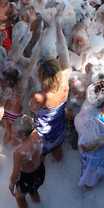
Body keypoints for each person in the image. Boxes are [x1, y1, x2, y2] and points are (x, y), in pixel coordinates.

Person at [29, 16, 71, 162]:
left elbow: (32, 108)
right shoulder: (65, 77)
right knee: (57, 145)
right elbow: (62, 48)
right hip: (59, 124)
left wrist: (34, 84)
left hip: (44, 130)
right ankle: (60, 162)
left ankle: (41, 163)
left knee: (42, 152)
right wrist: (57, 24)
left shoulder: (40, 96)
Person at [1, 35, 43, 146]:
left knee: (8, 132)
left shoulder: (4, 82)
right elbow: (32, 63)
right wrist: (40, 44)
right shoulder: (21, 83)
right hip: (15, 114)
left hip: (4, 111)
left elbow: (12, 58)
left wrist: (24, 40)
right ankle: (13, 152)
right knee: (15, 137)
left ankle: (1, 149)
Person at [9, 115, 45, 208]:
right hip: (39, 170)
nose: (12, 133)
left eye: (14, 132)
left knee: (19, 197)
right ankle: (39, 206)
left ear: (23, 136)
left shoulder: (18, 152)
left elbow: (15, 175)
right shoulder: (35, 133)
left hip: (26, 178)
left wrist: (11, 186)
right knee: (33, 191)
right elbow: (40, 151)